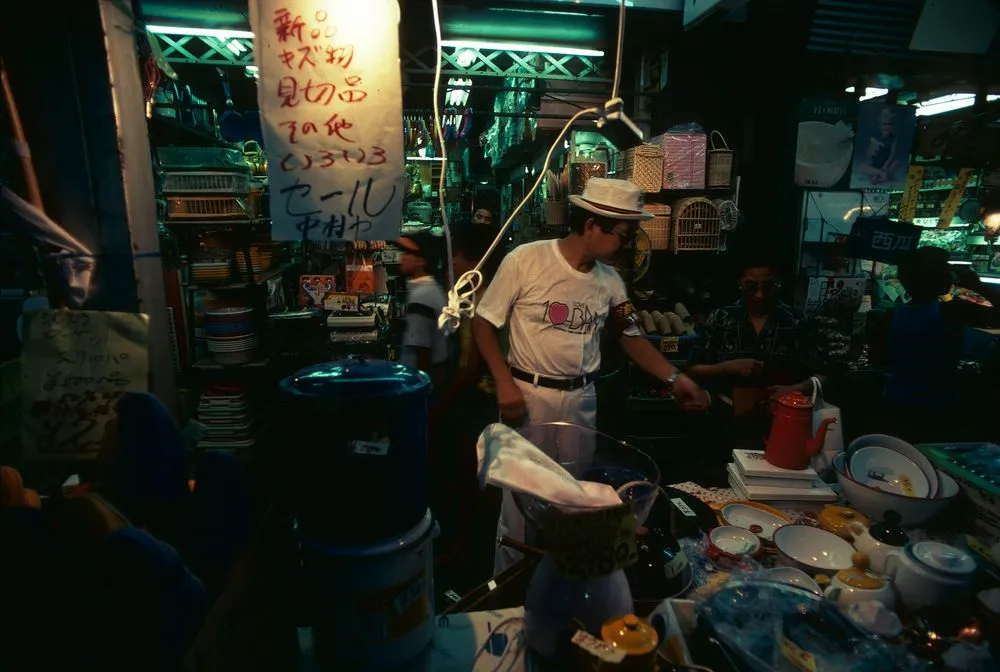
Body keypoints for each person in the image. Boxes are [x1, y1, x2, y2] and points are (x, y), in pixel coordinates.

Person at [473, 178, 709, 574]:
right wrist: (503, 380)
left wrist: (676, 378)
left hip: (581, 399)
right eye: (624, 235)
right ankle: (512, 594)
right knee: (519, 503)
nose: (628, 244)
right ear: (591, 225)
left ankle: (565, 585)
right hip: (528, 396)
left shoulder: (611, 283)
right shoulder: (525, 260)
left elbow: (631, 338)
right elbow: (483, 322)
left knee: (573, 498)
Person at [687, 252, 826, 449]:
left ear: (778, 284)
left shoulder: (796, 321)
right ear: (741, 285)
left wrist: (795, 390)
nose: (760, 295)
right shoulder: (721, 318)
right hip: (726, 423)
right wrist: (727, 367)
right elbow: (692, 369)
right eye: (752, 287)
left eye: (768, 287)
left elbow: (824, 374)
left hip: (784, 422)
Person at [872, 246, 1000, 441]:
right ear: (939, 277)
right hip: (937, 408)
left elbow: (878, 357)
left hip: (895, 403)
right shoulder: (951, 312)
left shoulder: (891, 316)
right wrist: (978, 286)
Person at [398, 231, 449, 387]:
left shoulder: (422, 296)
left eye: (407, 253)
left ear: (421, 261)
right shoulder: (429, 289)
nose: (401, 258)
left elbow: (422, 351)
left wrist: (419, 388)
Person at [859, 106, 901, 186]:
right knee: (862, 166)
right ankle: (880, 174)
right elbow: (868, 155)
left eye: (890, 124)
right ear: (880, 125)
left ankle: (879, 176)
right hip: (875, 163)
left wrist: (885, 165)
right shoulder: (875, 138)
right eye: (884, 124)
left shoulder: (893, 138)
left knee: (897, 163)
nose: (887, 127)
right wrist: (873, 151)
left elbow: (892, 154)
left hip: (886, 164)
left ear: (893, 126)